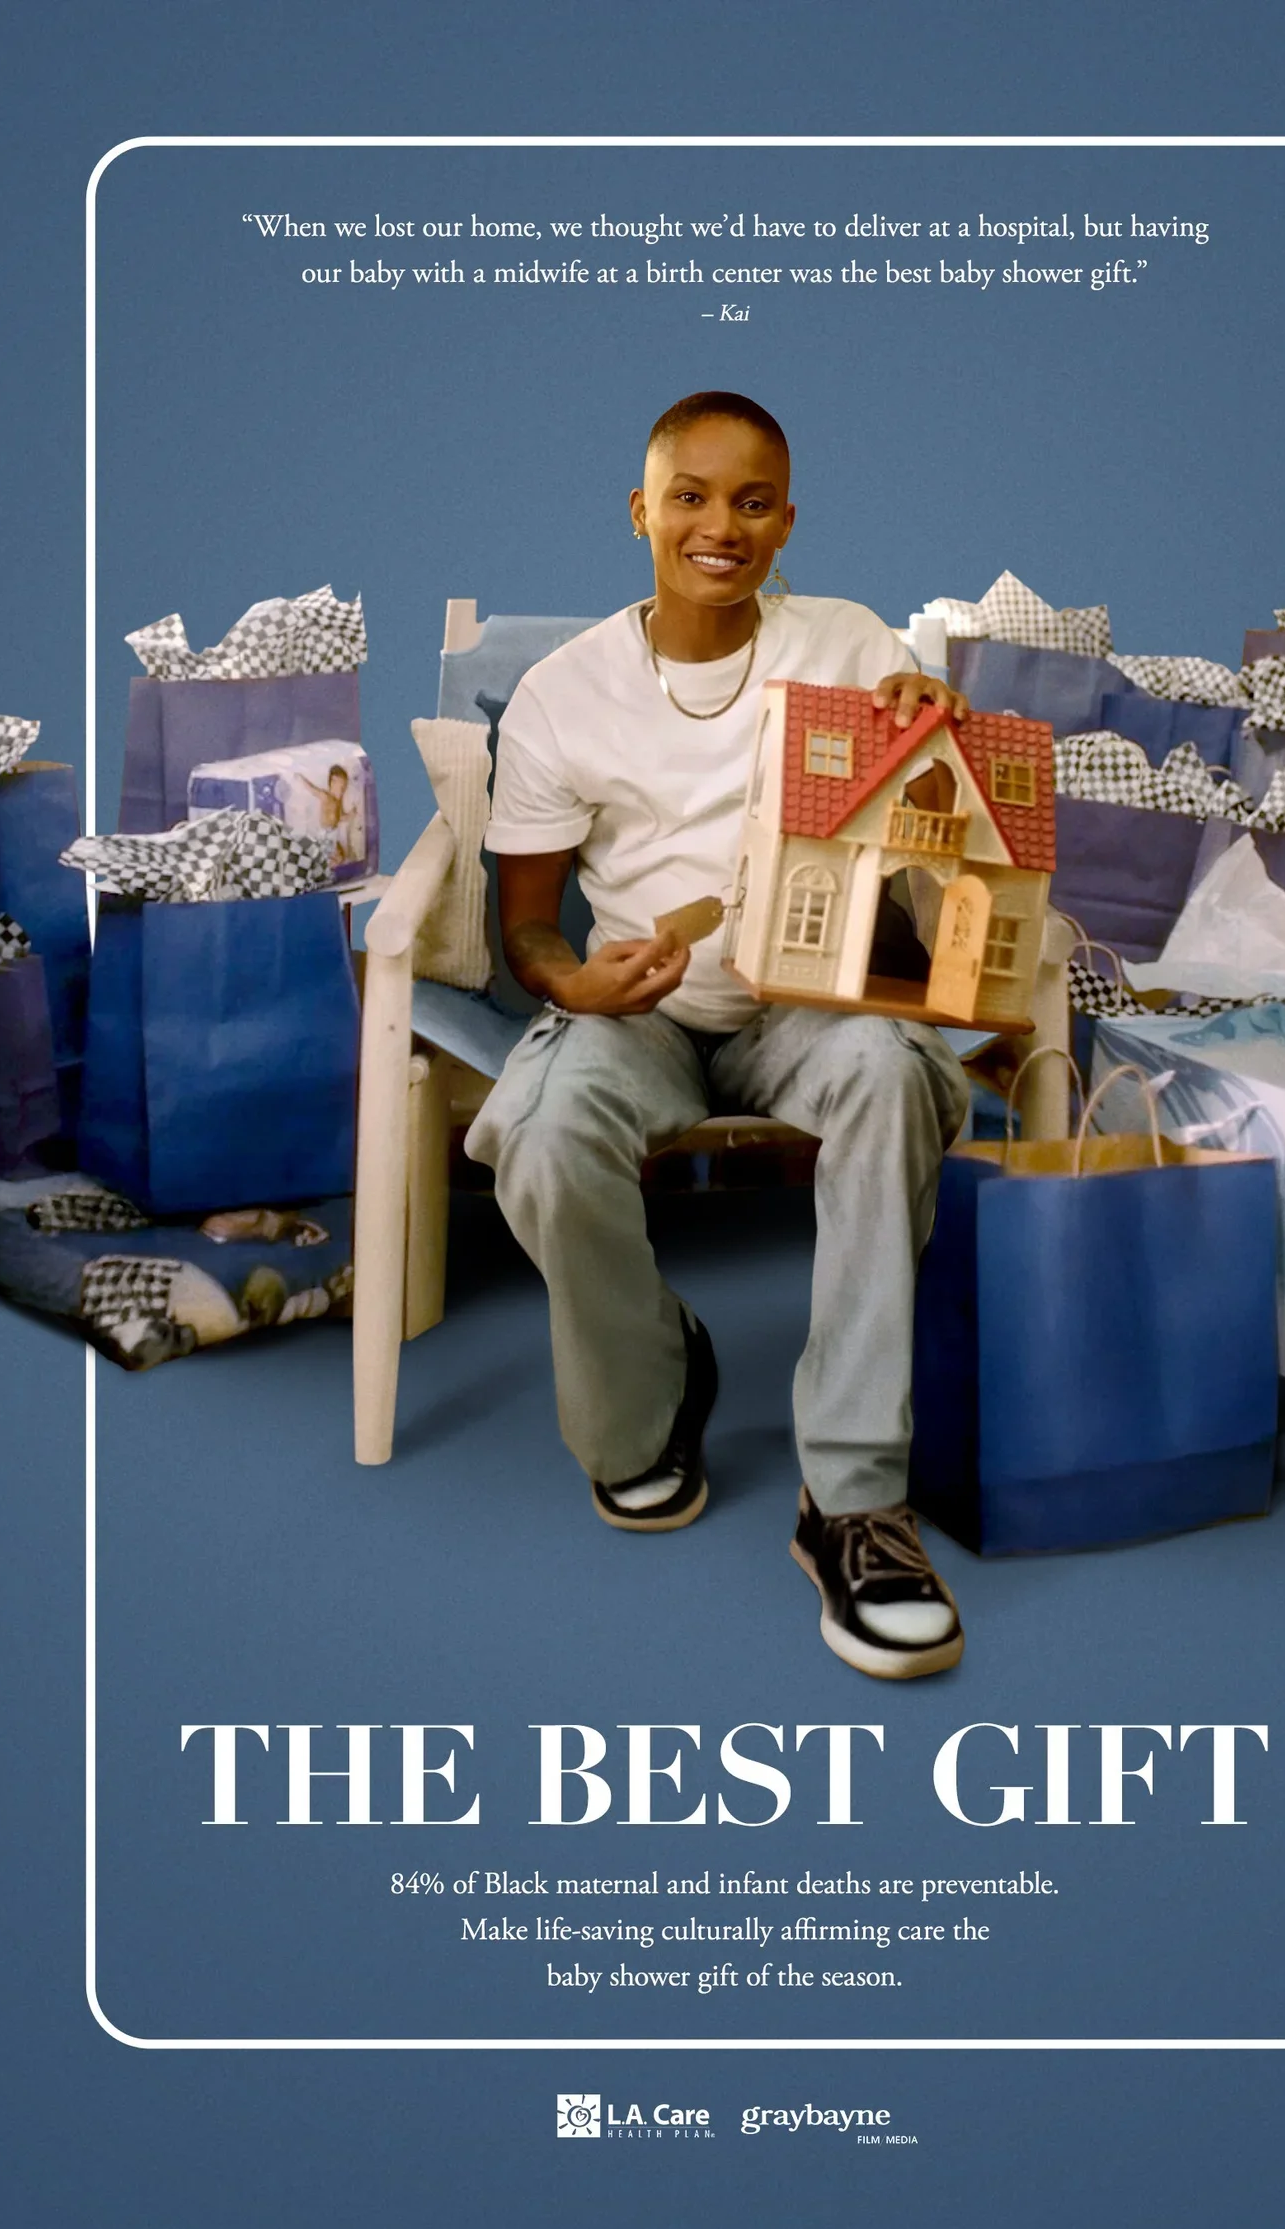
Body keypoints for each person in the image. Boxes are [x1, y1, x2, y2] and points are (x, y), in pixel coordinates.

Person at [466, 391, 973, 1680]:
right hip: (643, 1011)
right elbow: (527, 924)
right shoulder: (561, 693)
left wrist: (926, 720)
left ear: (786, 521)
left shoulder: (848, 643)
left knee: (890, 1076)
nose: (719, 524)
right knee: (537, 1127)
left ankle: (852, 1502)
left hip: (809, 1003)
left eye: (752, 501)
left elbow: (936, 835)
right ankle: (653, 1385)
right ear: (640, 511)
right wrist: (572, 983)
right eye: (690, 495)